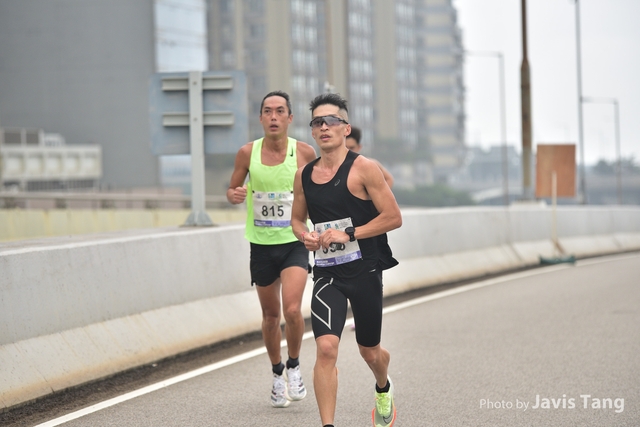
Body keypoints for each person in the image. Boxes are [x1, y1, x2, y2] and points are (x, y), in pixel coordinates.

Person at [291, 93, 402, 427]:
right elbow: (296, 220)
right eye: (317, 122)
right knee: (326, 348)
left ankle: (382, 386)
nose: (324, 127)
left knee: (370, 352)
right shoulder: (304, 175)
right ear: (312, 131)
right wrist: (305, 236)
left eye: (331, 121)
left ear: (345, 128)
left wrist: (349, 234)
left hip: (365, 270)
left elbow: (393, 217)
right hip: (327, 273)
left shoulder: (364, 168)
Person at [227, 90, 317, 408]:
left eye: (280, 111)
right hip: (262, 244)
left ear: (290, 118)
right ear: (261, 118)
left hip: (294, 241)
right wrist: (235, 195)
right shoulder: (246, 153)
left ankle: (294, 365)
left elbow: (319, 188)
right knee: (270, 316)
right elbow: (232, 189)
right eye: (268, 111)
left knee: (292, 310)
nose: (274, 116)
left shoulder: (303, 152)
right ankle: (277, 373)